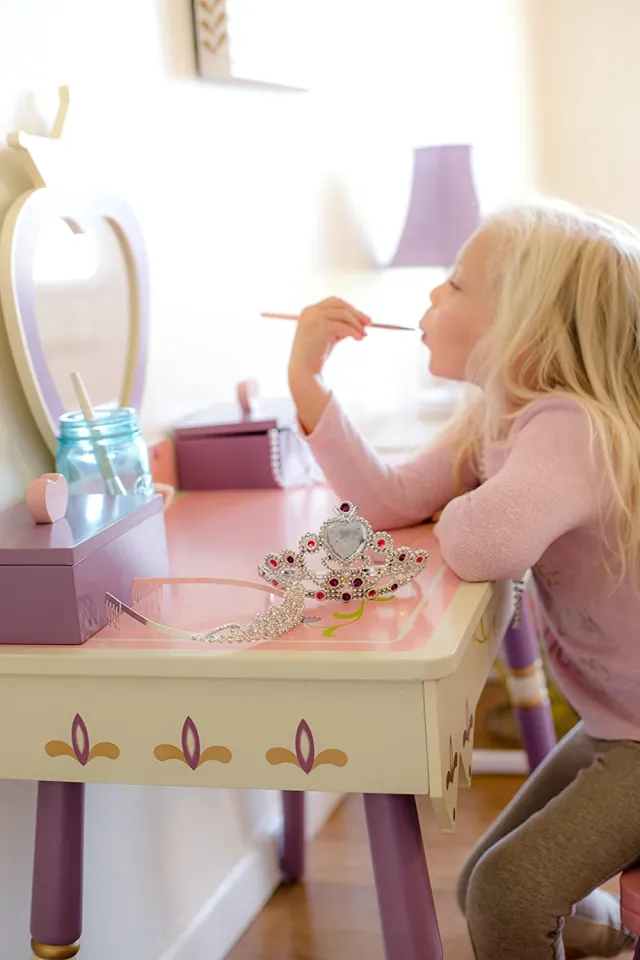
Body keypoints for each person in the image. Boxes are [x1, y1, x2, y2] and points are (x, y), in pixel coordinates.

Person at [287, 200, 640, 959]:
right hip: (618, 722)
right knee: (484, 880)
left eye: (452, 285)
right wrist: (308, 384)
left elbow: (484, 544)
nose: (430, 299)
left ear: (523, 326)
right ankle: (613, 935)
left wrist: (467, 495)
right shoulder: (501, 418)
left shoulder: (568, 428)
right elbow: (390, 501)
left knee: (506, 893)